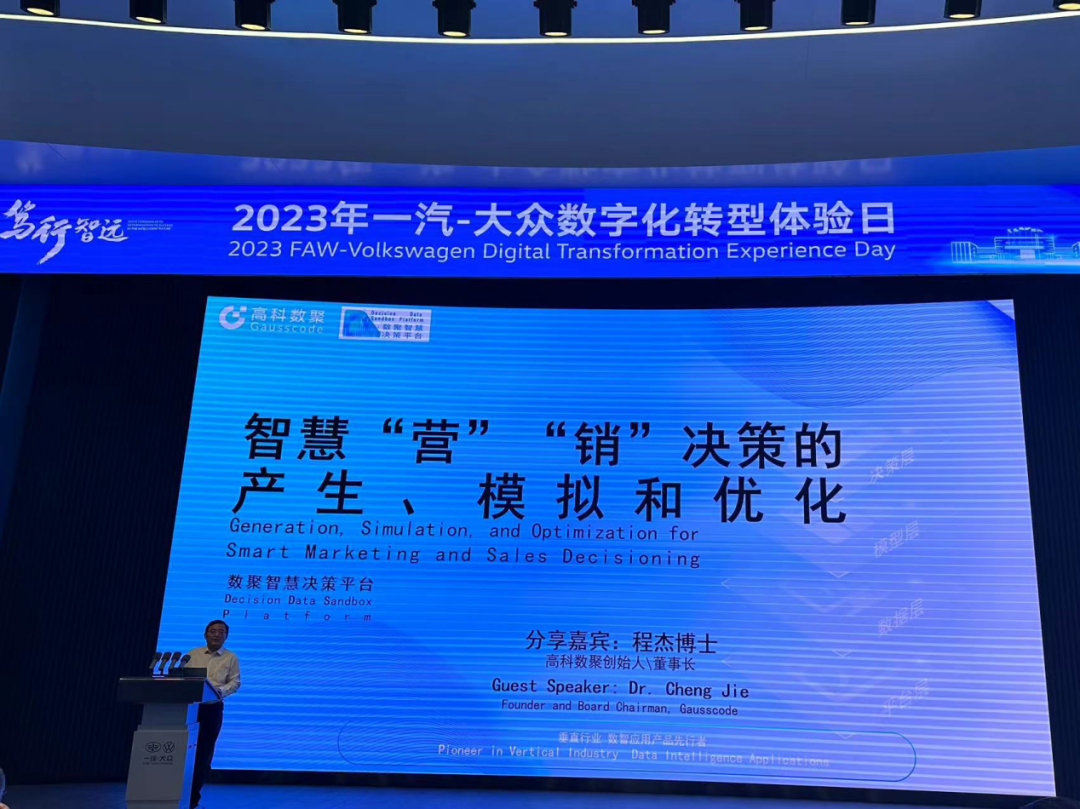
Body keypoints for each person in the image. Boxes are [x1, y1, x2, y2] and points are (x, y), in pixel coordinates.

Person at [186, 620, 241, 809]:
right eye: (213, 631)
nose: (217, 634)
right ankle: (176, 795)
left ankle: (193, 799)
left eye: (221, 631)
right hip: (189, 708)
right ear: (205, 634)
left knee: (203, 754)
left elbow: (235, 682)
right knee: (184, 752)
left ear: (226, 636)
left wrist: (220, 691)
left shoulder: (231, 657)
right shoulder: (192, 654)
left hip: (212, 709)